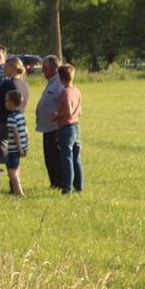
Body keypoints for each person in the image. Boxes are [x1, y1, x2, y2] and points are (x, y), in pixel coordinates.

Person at [0, 57, 24, 195]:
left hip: (2, 122)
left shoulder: (7, 84)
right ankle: (15, 188)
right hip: (18, 122)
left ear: (13, 67)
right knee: (13, 155)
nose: (4, 69)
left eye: (6, 67)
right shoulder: (24, 85)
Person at [52, 64, 83, 194]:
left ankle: (67, 188)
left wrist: (56, 116)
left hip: (66, 127)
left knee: (67, 158)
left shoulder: (65, 92)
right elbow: (78, 112)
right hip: (76, 126)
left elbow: (68, 112)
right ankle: (79, 186)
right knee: (76, 157)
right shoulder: (76, 90)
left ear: (60, 77)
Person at [35, 55, 64, 188]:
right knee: (49, 158)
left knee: (55, 158)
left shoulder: (59, 82)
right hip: (47, 127)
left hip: (55, 127)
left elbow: (64, 102)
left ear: (53, 68)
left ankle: (59, 183)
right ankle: (54, 182)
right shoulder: (52, 81)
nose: (42, 71)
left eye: (44, 68)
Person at [4, 90, 29, 196]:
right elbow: (26, 132)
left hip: (14, 148)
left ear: (12, 102)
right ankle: (16, 192)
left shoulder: (11, 118)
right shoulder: (21, 115)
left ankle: (19, 193)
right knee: (16, 169)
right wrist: (25, 146)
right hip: (22, 146)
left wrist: (19, 149)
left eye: (6, 101)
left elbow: (15, 134)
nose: (5, 103)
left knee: (12, 172)